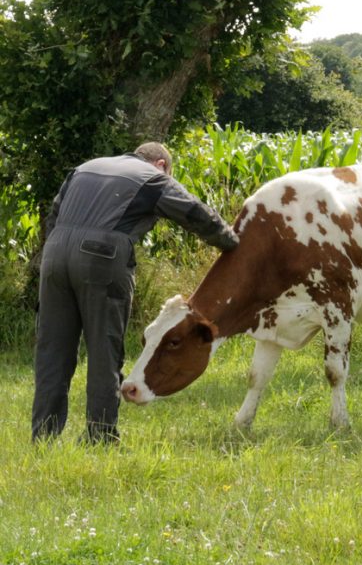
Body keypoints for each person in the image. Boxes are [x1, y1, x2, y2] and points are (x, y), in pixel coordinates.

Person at [32, 142, 239, 444]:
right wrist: (231, 242)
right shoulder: (152, 177)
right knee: (105, 349)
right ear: (160, 164)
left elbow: (53, 216)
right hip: (102, 256)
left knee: (53, 349)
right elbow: (194, 213)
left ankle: (44, 437)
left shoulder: (85, 167)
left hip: (54, 253)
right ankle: (100, 435)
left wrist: (58, 250)